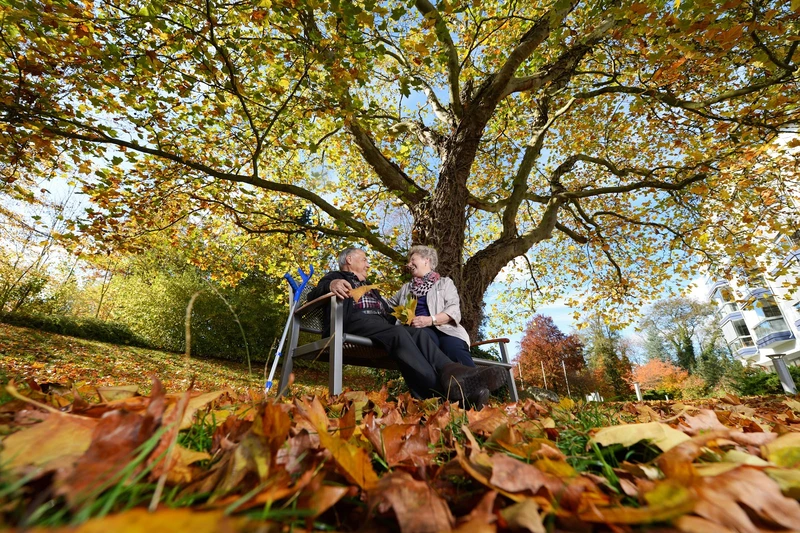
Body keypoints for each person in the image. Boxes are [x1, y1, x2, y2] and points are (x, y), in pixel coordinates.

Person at [307, 247, 506, 408]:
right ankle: (444, 395)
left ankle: (453, 373)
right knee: (400, 332)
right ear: (349, 259)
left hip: (380, 326)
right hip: (353, 323)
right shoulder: (336, 276)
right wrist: (332, 284)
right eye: (365, 259)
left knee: (420, 336)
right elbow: (314, 294)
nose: (368, 264)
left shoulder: (372, 288)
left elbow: (390, 308)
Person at [389, 245, 475, 367]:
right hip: (418, 330)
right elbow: (386, 305)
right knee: (428, 344)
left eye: (413, 259)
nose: (409, 264)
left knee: (454, 348)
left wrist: (430, 320)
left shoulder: (445, 283)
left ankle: (475, 382)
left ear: (426, 260)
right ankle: (443, 383)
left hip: (446, 329)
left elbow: (453, 309)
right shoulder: (406, 288)